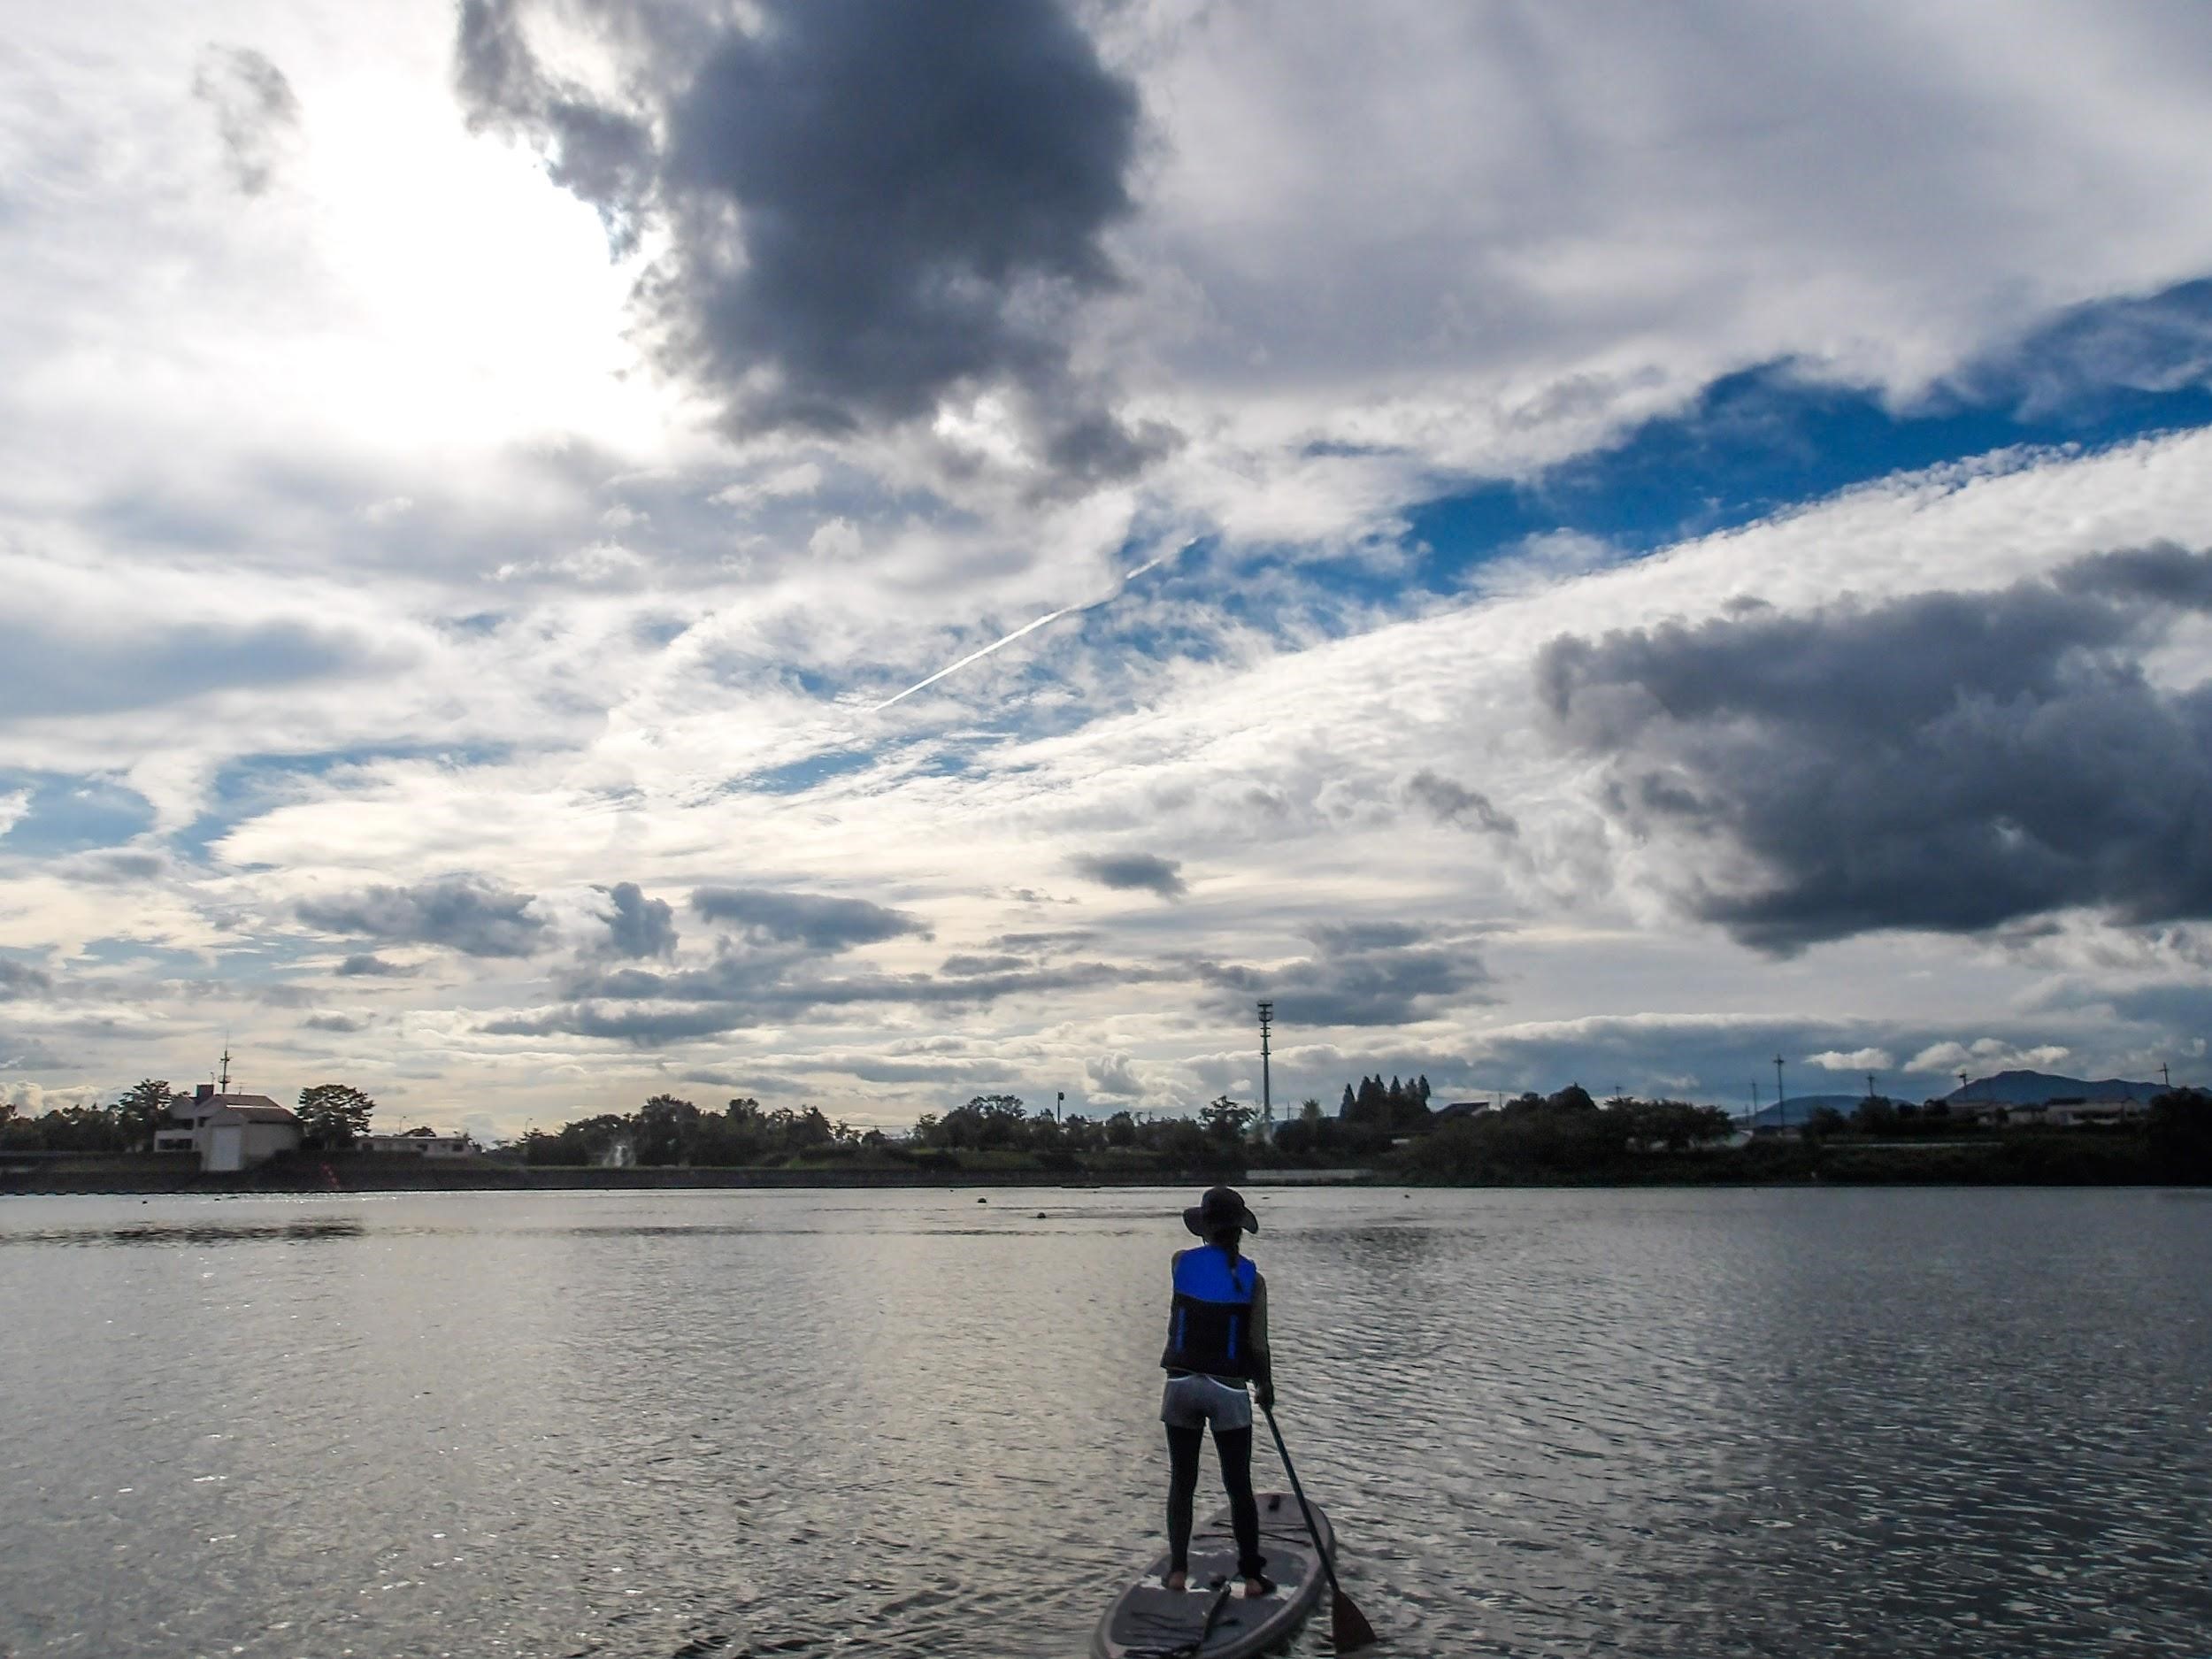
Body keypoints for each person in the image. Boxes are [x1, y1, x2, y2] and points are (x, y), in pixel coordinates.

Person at [1158, 1183, 1276, 1599]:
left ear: (1205, 1228)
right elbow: (1257, 1345)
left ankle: (1177, 1572)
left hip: (1180, 1386)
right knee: (1238, 1485)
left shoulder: (1180, 1263)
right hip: (1227, 1388)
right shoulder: (1252, 1279)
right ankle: (1253, 1578)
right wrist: (1265, 1385)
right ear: (1240, 1230)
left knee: (1182, 1482)